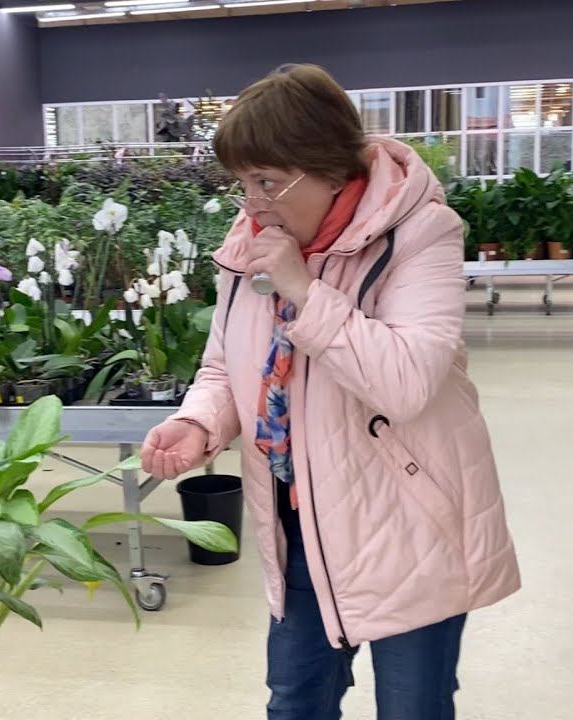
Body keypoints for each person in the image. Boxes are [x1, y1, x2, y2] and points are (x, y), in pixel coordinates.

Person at [141, 64, 521, 720]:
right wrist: (199, 422)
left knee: (412, 708)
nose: (251, 203)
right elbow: (224, 365)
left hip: (409, 525)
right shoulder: (252, 245)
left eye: (266, 182)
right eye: (241, 183)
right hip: (301, 521)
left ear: (329, 169)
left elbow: (405, 382)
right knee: (295, 704)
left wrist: (305, 290)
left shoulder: (422, 233)